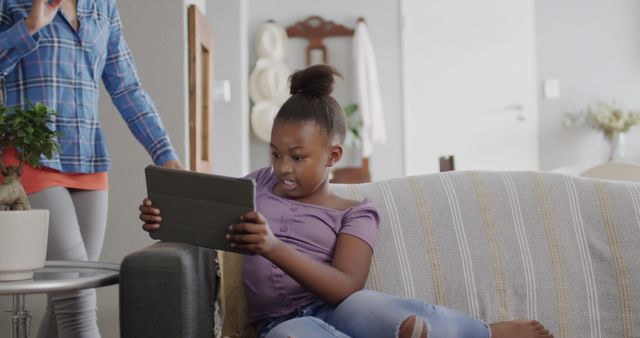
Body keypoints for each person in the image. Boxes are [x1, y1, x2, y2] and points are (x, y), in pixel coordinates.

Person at [139, 65, 553, 338]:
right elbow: (205, 213)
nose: (283, 167)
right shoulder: (257, 186)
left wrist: (273, 248)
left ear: (333, 156)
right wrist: (165, 217)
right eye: (275, 154)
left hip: (337, 308)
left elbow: (345, 288)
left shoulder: (355, 212)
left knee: (380, 310)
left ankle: (486, 332)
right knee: (288, 337)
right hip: (280, 324)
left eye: (298, 157)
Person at [1, 0, 183, 337]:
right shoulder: (12, 4)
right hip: (32, 158)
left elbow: (127, 87)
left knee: (65, 302)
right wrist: (28, 27)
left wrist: (164, 154)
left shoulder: (103, 9)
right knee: (78, 304)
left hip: (89, 161)